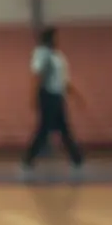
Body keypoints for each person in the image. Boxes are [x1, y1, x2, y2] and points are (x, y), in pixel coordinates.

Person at [22, 26, 84, 178]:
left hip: (58, 95)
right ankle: (28, 159)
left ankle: (77, 159)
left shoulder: (59, 56)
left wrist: (76, 95)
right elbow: (37, 75)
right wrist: (33, 95)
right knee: (44, 129)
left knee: (64, 128)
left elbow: (63, 79)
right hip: (47, 95)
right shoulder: (41, 54)